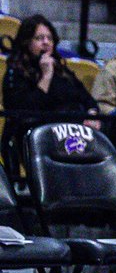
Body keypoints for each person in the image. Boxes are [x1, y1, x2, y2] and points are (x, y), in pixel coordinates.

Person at [1, 15, 98, 164]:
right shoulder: (16, 73)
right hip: (40, 138)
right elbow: (26, 109)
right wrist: (46, 75)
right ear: (26, 42)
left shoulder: (61, 70)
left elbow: (86, 98)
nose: (46, 43)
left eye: (49, 38)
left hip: (73, 134)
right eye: (39, 38)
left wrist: (92, 114)